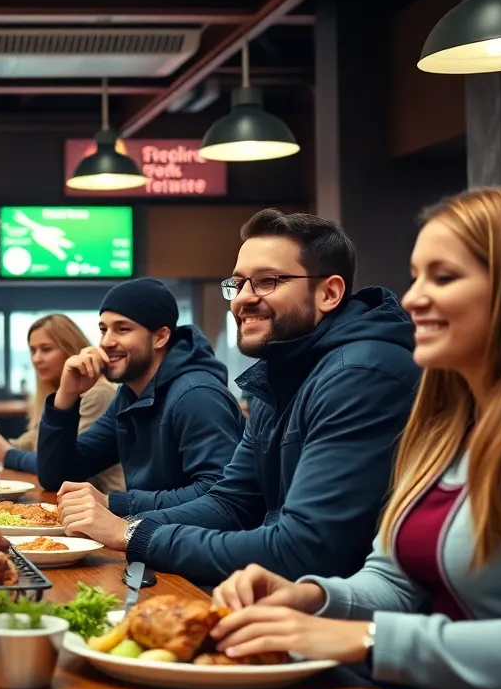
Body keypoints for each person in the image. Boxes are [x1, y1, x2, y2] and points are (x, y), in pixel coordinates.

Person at [208, 187, 501, 689]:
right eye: (416, 277)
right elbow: (394, 580)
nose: (413, 298)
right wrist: (314, 597)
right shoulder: (445, 426)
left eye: (443, 277)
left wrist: (364, 639)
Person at [79, 210, 420, 585]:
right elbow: (231, 502)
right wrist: (121, 524)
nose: (242, 299)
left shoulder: (361, 374)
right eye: (238, 284)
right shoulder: (280, 373)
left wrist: (132, 533)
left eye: (266, 281)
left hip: (338, 607)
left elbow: (305, 548)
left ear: (329, 293)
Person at [38, 278, 245, 539]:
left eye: (122, 329)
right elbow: (56, 476)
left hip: (200, 554)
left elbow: (220, 496)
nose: (106, 342)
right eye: (103, 329)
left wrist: (113, 503)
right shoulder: (129, 394)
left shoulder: (196, 395)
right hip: (151, 543)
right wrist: (67, 395)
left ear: (160, 337)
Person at [0, 314, 125, 494]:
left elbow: (62, 462)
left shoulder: (98, 392)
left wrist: (8, 454)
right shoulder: (53, 395)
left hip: (103, 496)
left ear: (71, 351)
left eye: (46, 349)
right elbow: (33, 440)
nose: (36, 358)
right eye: (33, 351)